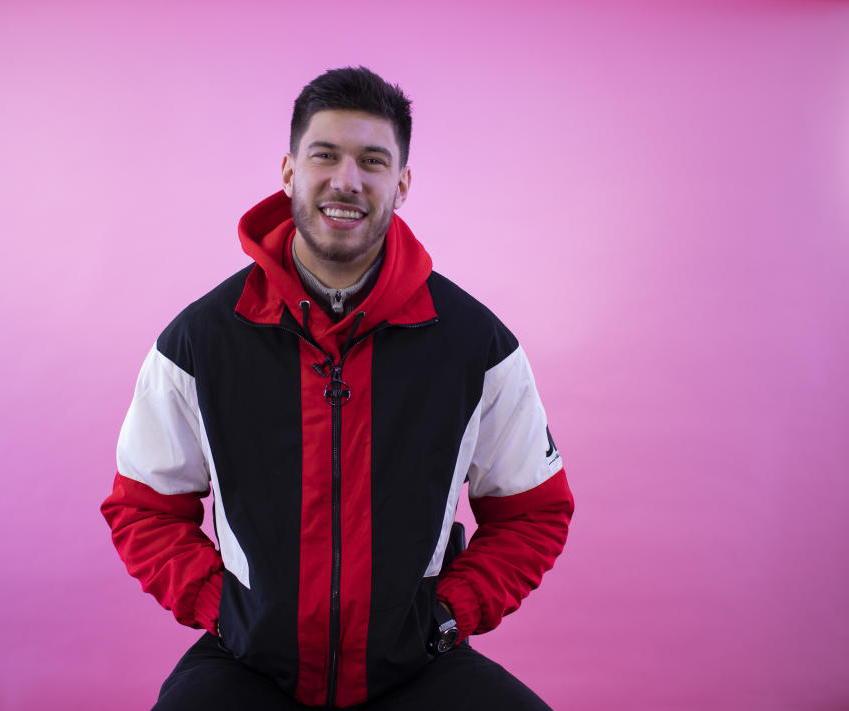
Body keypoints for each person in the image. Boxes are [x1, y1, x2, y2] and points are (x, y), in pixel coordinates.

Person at [101, 66, 574, 710]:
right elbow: (143, 509)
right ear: (291, 172)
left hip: (414, 665)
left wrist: (452, 613)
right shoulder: (200, 342)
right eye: (325, 154)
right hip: (252, 666)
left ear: (401, 185)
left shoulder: (476, 346)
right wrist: (221, 607)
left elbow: (534, 511)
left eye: (372, 161)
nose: (346, 179)